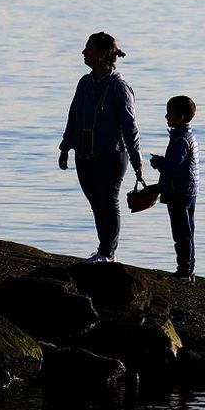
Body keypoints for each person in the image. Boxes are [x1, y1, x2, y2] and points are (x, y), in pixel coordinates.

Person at [59, 31, 144, 263]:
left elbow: (129, 125)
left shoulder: (119, 87)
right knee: (96, 202)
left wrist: (137, 158)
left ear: (103, 54)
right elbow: (73, 114)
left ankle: (107, 252)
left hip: (111, 154)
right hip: (84, 153)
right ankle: (104, 250)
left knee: (108, 200)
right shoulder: (85, 82)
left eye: (89, 48)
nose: (84, 52)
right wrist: (65, 146)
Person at [150, 95, 200, 281]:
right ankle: (188, 270)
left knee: (181, 234)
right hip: (189, 190)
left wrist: (157, 162)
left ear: (180, 116)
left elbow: (172, 167)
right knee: (188, 232)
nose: (166, 116)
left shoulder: (180, 140)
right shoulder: (188, 136)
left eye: (169, 113)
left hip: (179, 192)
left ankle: (184, 271)